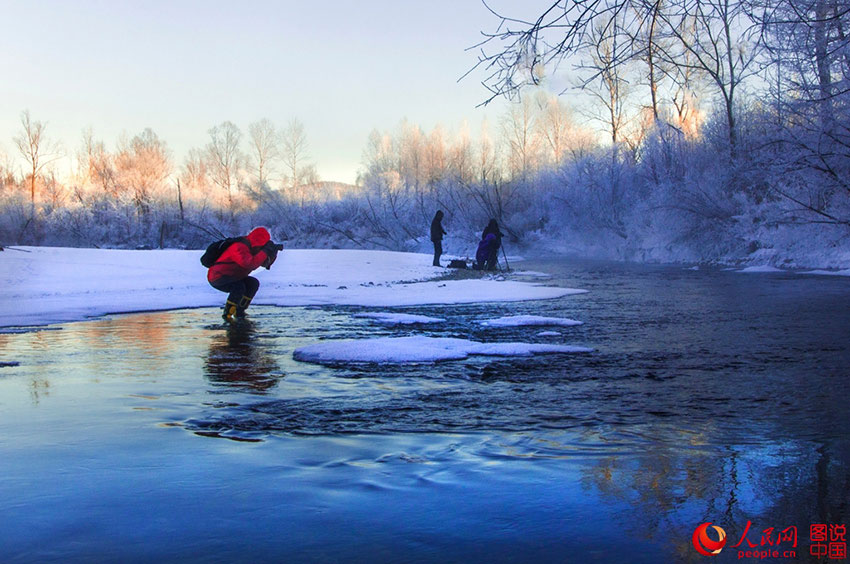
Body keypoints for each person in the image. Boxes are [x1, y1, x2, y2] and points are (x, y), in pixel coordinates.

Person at [206, 227, 281, 323]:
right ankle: (227, 315)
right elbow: (250, 264)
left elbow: (265, 264)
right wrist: (265, 251)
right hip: (217, 277)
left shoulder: (253, 248)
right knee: (238, 287)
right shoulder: (239, 247)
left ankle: (239, 311)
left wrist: (272, 253)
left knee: (253, 283)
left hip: (234, 277)